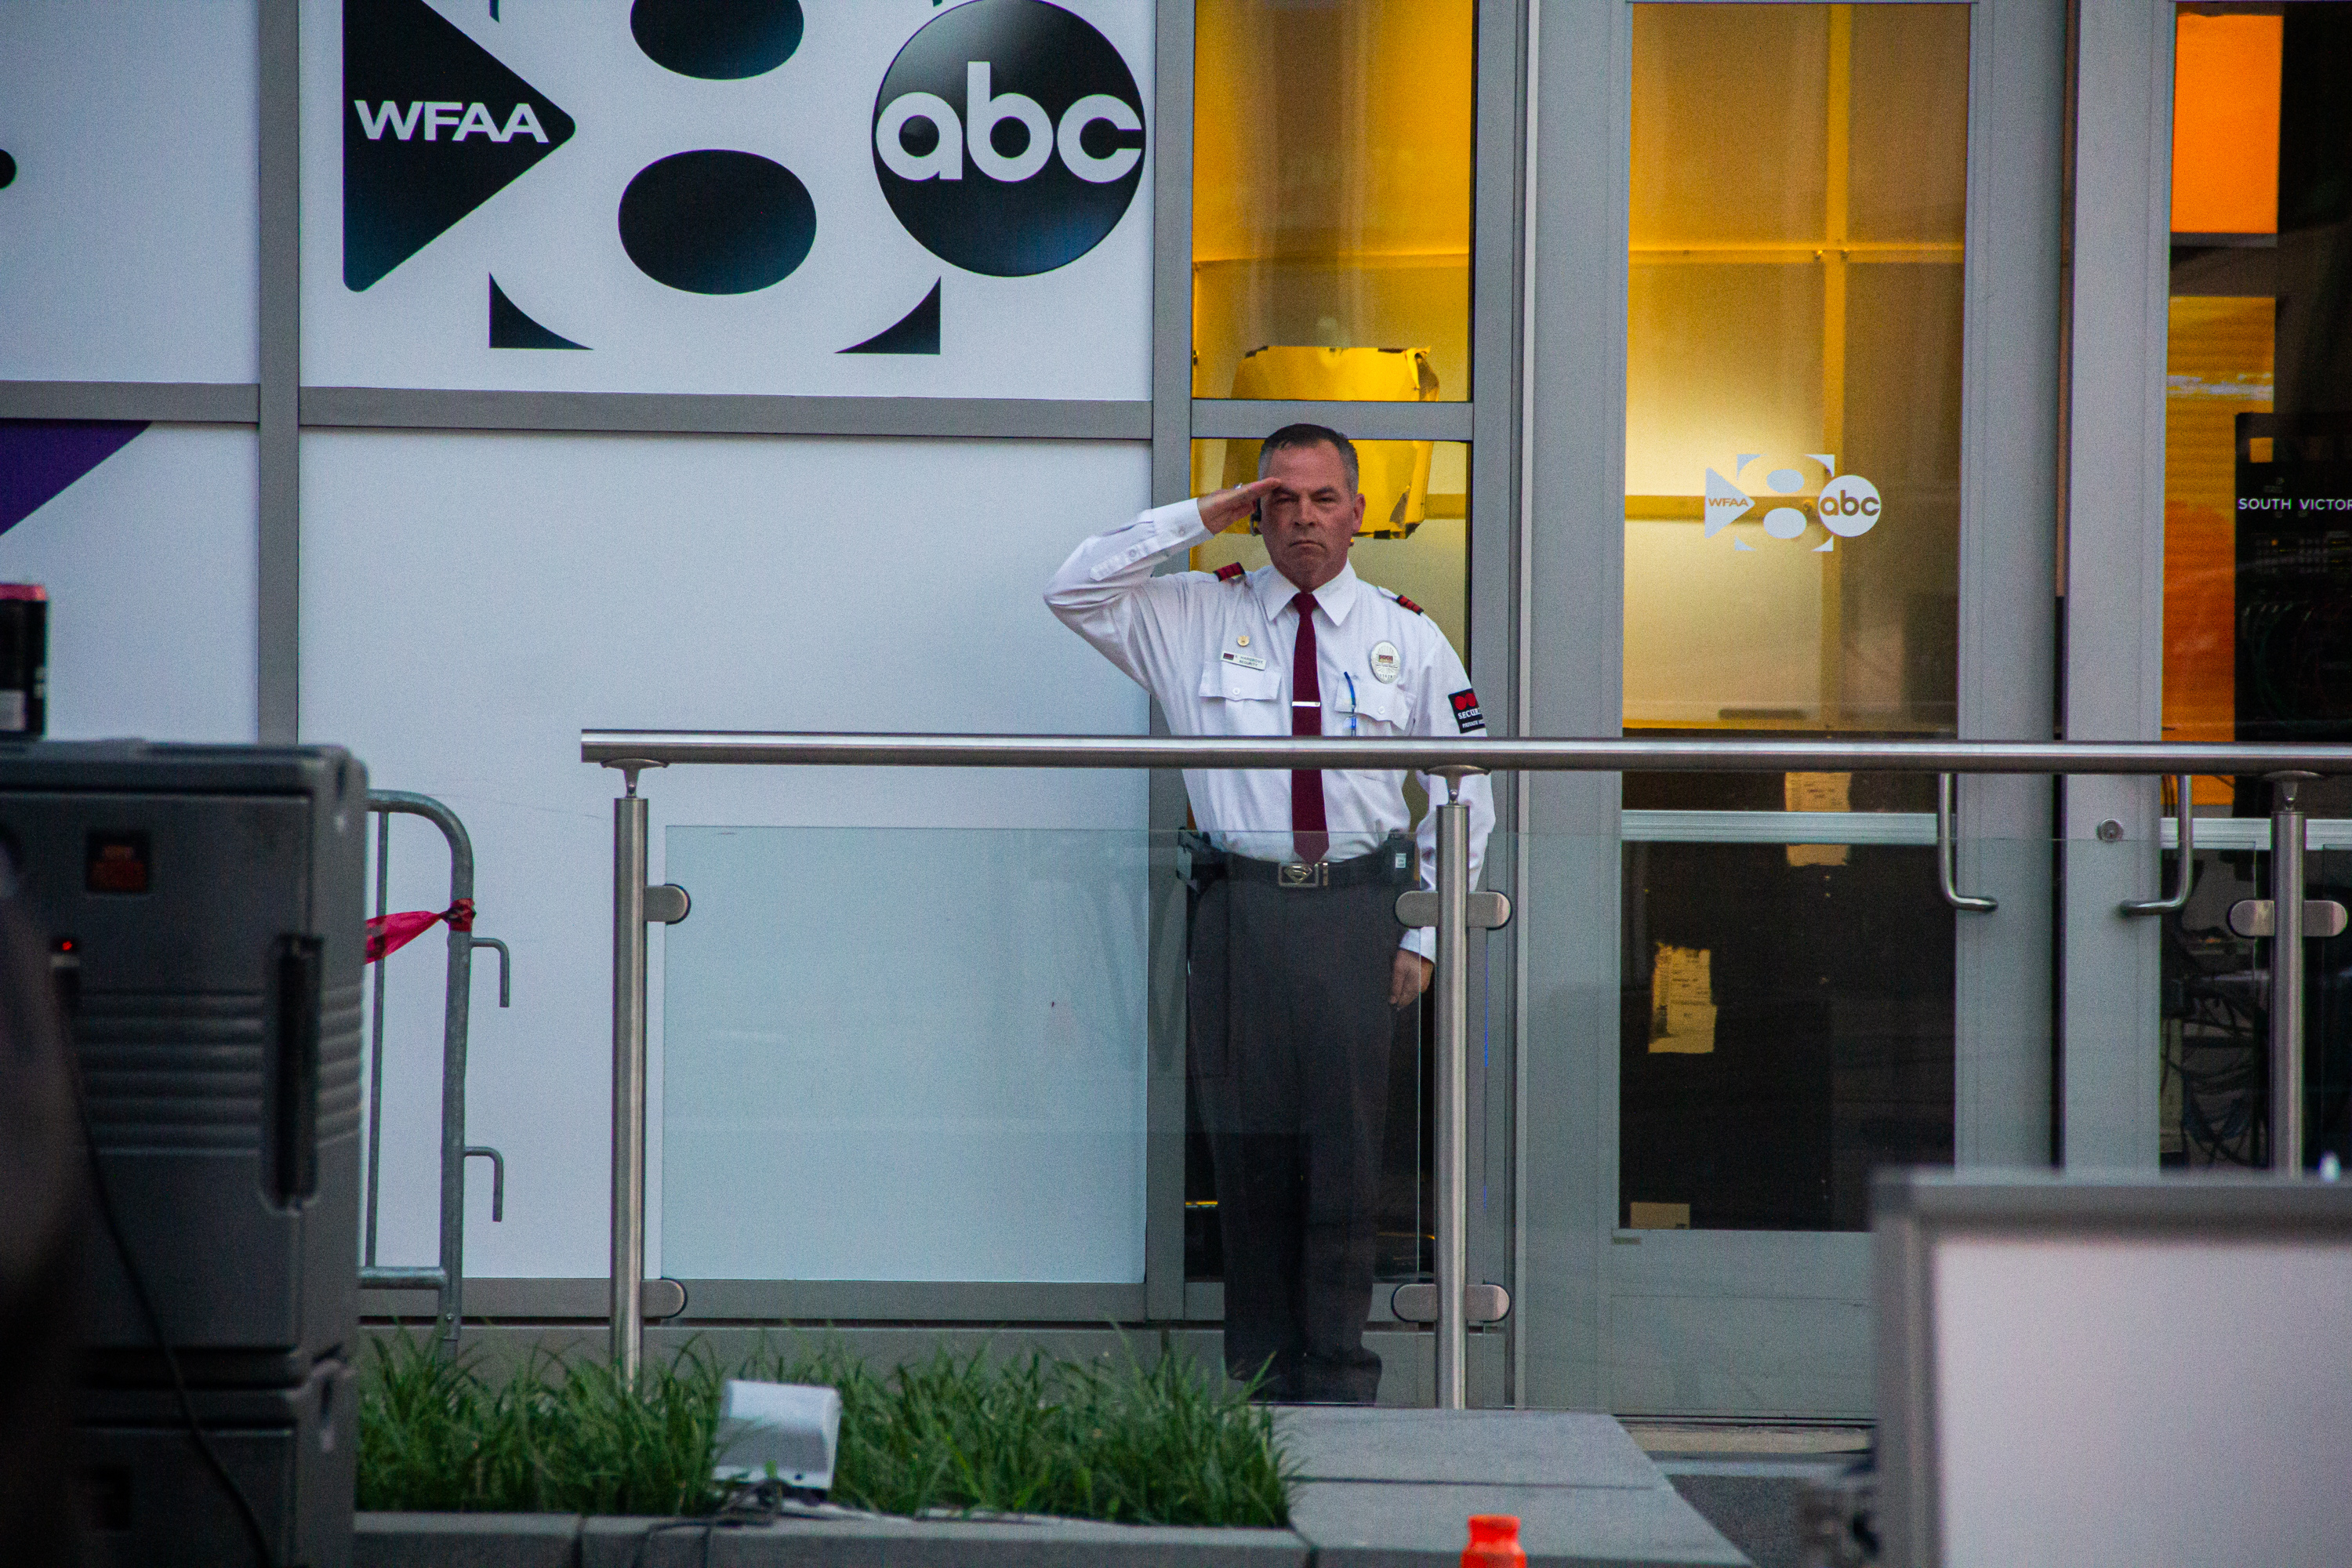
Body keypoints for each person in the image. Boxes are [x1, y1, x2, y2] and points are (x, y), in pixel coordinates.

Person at [1044, 423, 1494, 1403]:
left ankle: (1339, 1383)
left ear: (1358, 512)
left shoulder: (1405, 634)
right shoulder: (1191, 614)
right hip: (1239, 913)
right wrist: (1198, 517)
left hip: (1356, 918)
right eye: (1279, 499)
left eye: (1322, 497)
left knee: (1344, 1166)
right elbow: (1074, 586)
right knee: (1244, 1165)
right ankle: (1255, 1387)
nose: (1302, 518)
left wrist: (1423, 932)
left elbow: (1468, 793)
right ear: (1255, 510)